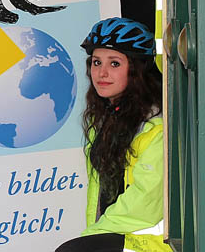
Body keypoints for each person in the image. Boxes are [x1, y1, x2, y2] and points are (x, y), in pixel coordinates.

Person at [55, 17, 169, 252]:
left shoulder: (155, 128)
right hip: (118, 236)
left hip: (151, 244)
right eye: (96, 62)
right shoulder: (106, 120)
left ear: (136, 70)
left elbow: (145, 202)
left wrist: (92, 236)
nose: (102, 72)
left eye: (114, 63)